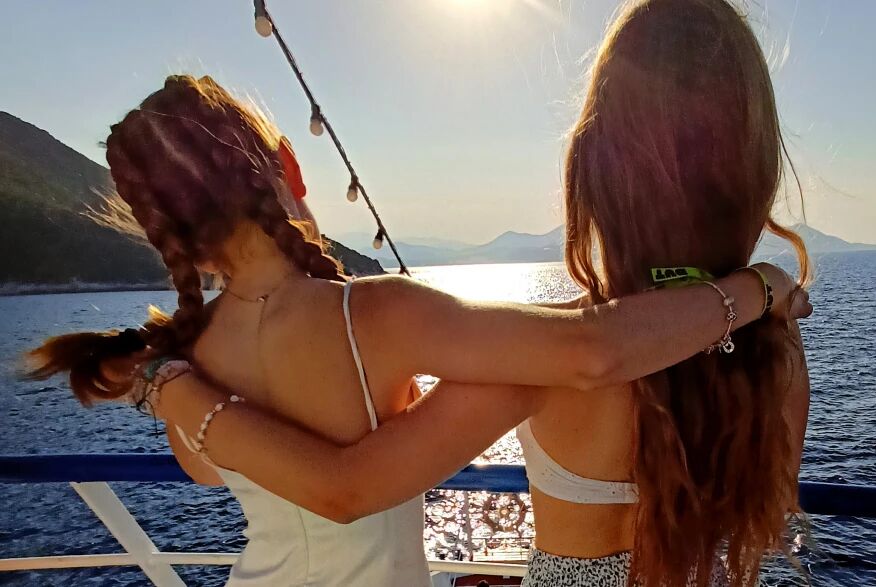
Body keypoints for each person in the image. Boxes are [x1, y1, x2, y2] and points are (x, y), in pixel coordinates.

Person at [27, 68, 808, 587]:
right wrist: (759, 287)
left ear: (164, 231)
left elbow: (209, 472)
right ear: (287, 166)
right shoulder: (376, 313)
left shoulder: (185, 363)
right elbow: (587, 350)